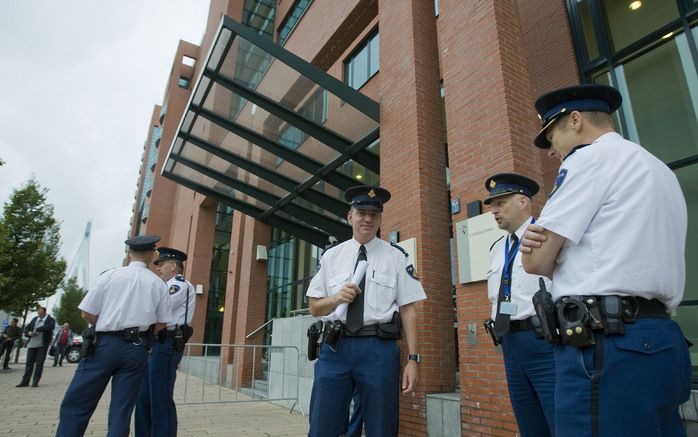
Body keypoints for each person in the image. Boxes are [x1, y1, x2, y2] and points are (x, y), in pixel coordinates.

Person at [520, 84, 691, 436]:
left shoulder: (587, 160)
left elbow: (536, 263)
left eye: (551, 136)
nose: (551, 151)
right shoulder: (659, 169)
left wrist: (543, 251)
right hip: (663, 338)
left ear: (576, 120)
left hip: (608, 346)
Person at [306, 185, 426, 437]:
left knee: (382, 426)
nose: (368, 219)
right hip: (335, 347)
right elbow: (314, 307)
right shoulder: (331, 256)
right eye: (362, 212)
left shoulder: (396, 256)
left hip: (378, 350)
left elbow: (408, 310)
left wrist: (413, 360)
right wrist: (336, 298)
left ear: (380, 219)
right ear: (350, 217)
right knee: (322, 425)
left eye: (374, 214)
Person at [56, 235, 172, 437]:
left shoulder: (109, 276)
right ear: (150, 254)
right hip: (136, 347)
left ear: (129, 253)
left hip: (103, 344)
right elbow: (162, 322)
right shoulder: (158, 284)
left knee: (78, 403)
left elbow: (86, 312)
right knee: (122, 410)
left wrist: (106, 323)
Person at [483, 173, 555, 436]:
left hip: (545, 341)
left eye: (500, 203)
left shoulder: (546, 235)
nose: (494, 210)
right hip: (510, 345)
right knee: (530, 425)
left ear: (523, 201)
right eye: (492, 204)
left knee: (559, 421)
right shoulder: (496, 248)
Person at [135, 247, 196, 437]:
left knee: (160, 396)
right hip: (154, 343)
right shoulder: (163, 286)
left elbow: (159, 307)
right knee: (144, 396)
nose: (158, 269)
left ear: (172, 266)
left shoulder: (179, 285)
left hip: (167, 343)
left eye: (161, 265)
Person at [16, 306, 55, 387]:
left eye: (41, 313)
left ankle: (35, 381)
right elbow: (27, 329)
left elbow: (50, 327)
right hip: (32, 344)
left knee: (39, 363)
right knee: (29, 363)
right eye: (38, 313)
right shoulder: (34, 319)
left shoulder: (50, 320)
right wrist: (29, 333)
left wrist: (38, 329)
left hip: (42, 344)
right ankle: (25, 381)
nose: (39, 315)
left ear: (45, 312)